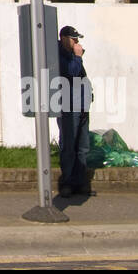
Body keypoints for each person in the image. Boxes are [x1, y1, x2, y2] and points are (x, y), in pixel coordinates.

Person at [56, 25, 93, 197]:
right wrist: (78, 57)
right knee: (69, 146)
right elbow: (71, 71)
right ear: (64, 38)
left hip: (82, 105)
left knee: (83, 146)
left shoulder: (72, 55)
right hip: (68, 106)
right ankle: (68, 182)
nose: (77, 42)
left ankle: (80, 181)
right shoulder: (59, 56)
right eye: (74, 39)